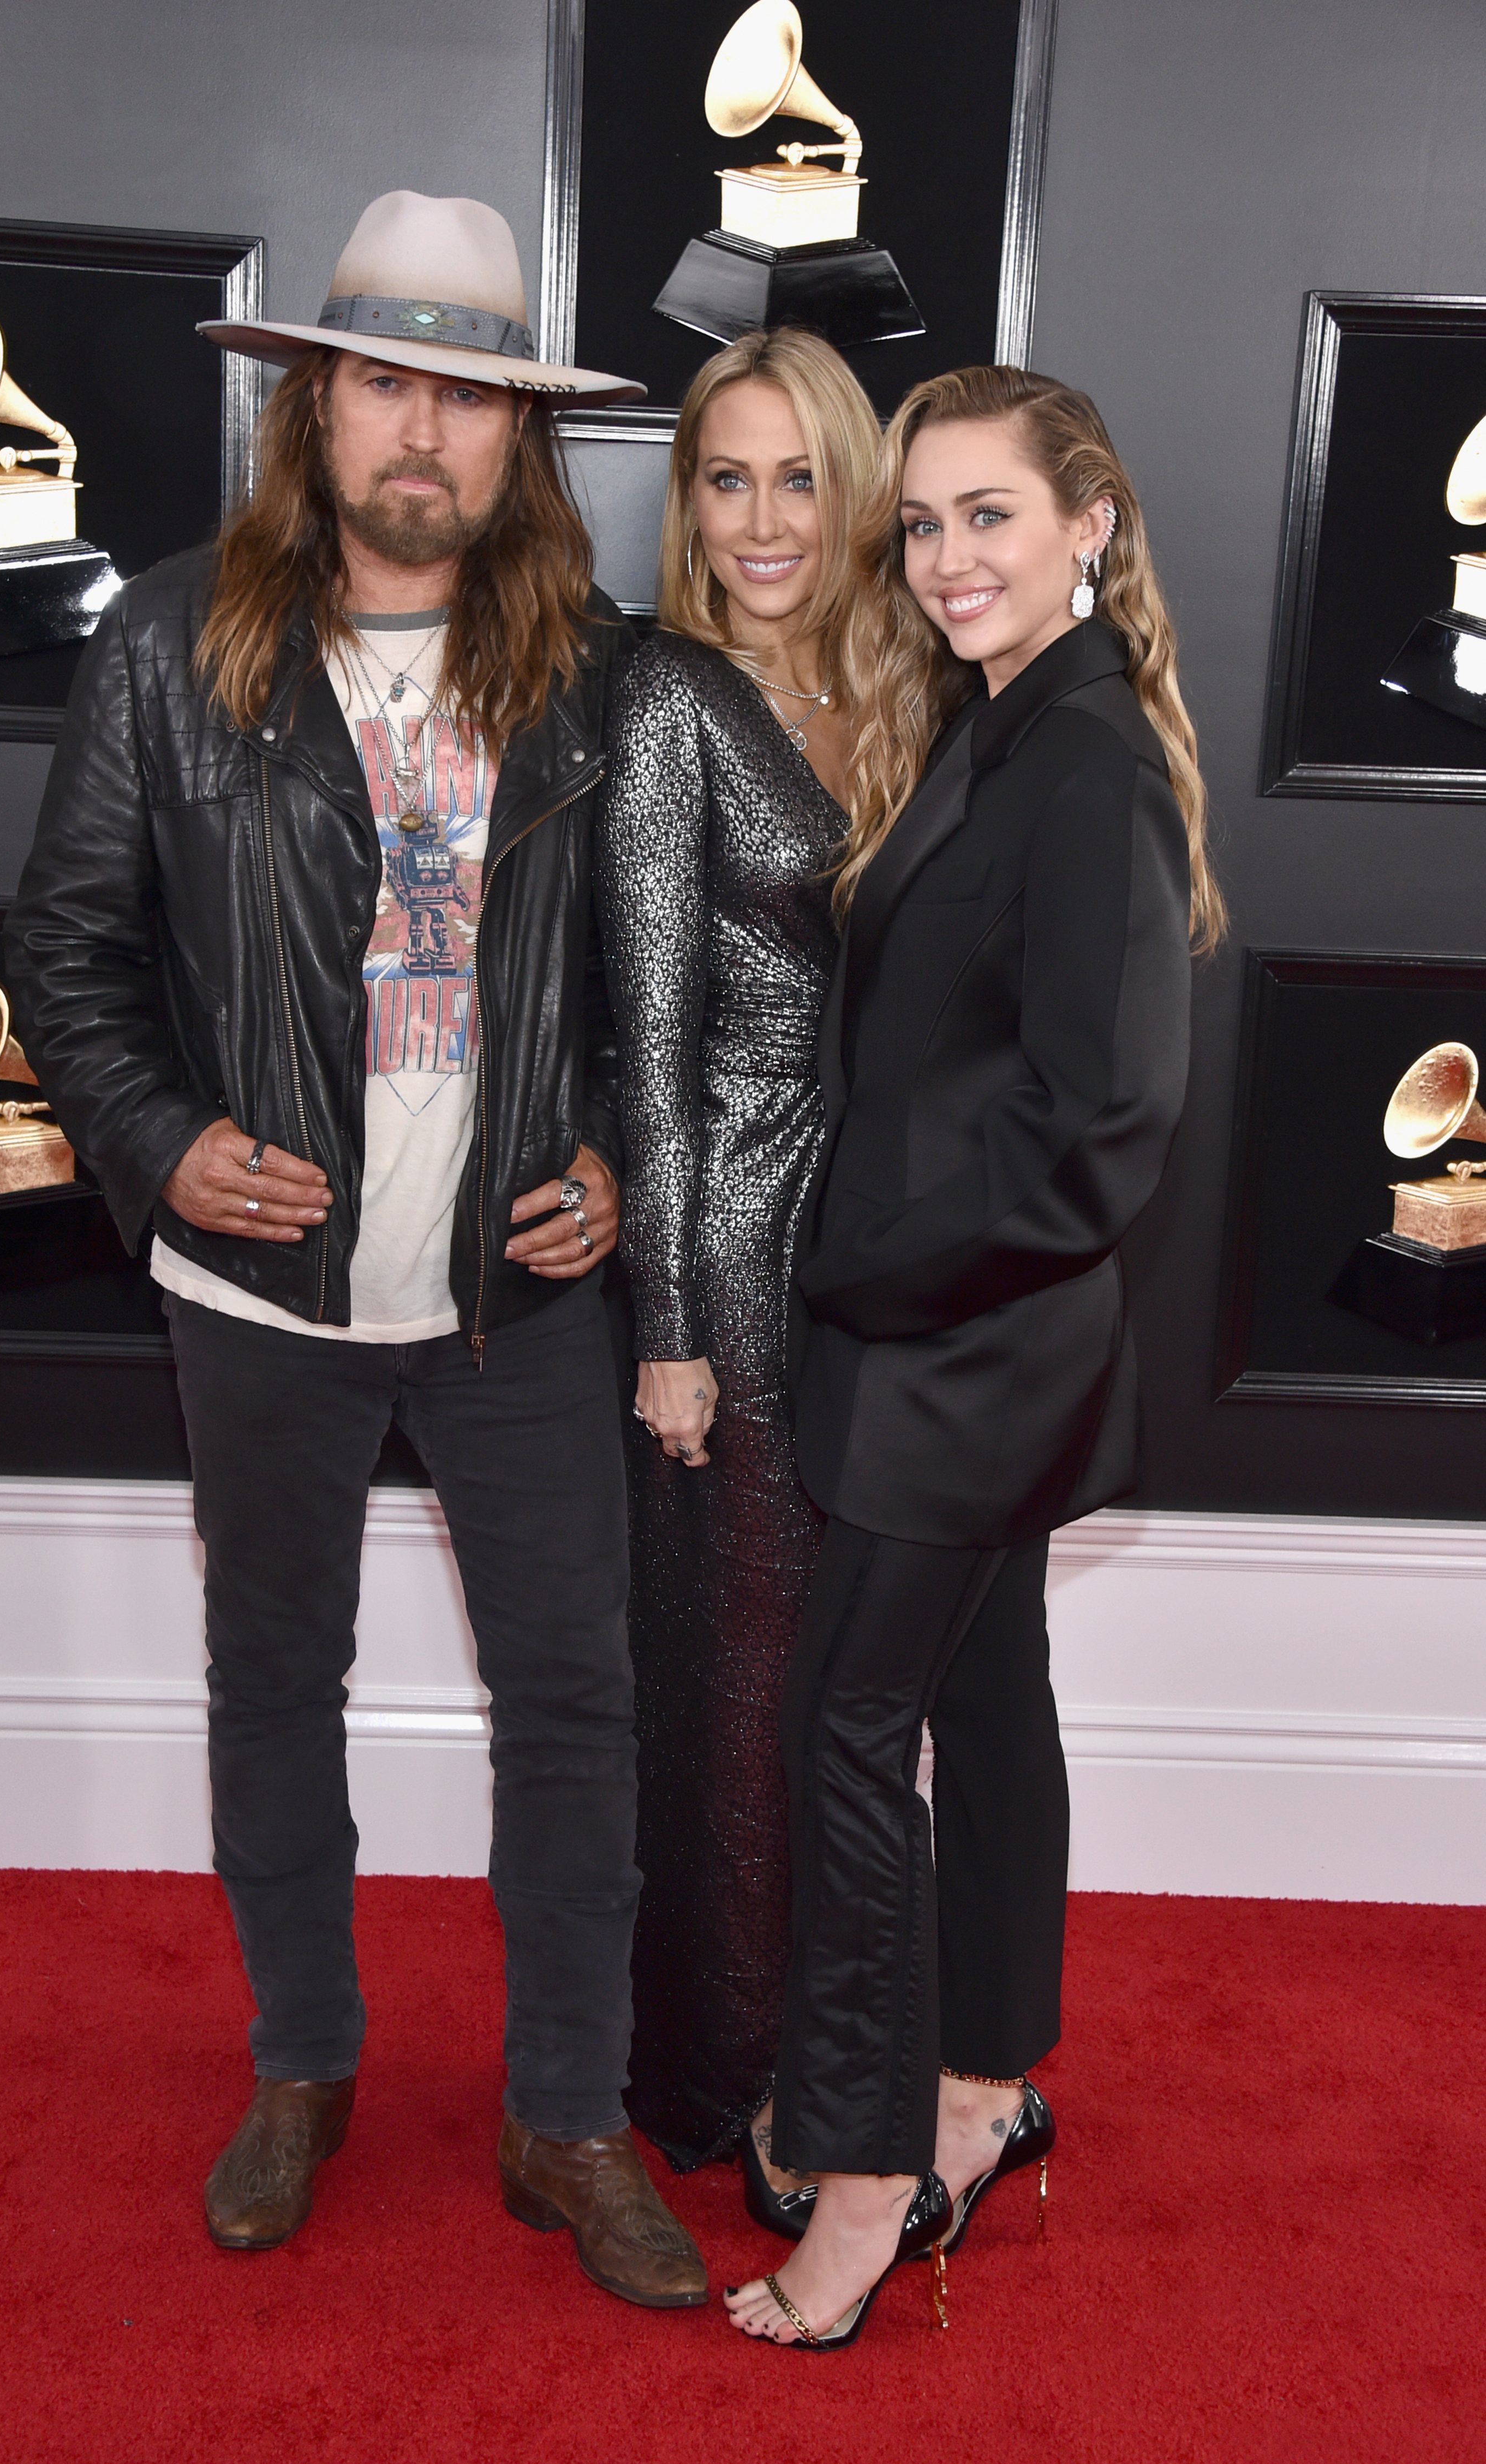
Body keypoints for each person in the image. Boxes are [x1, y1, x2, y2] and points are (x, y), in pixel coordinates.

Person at [5, 189, 709, 2311]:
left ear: (520, 437)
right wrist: (162, 1144)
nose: (424, 429)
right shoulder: (166, 646)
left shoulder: (604, 677)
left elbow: (656, 982)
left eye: (468, 396)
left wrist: (611, 1158)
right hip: (259, 1303)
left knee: (576, 1707)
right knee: (272, 1683)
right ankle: (303, 2065)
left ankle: (565, 2112)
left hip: (519, 1302)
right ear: (313, 408)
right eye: (385, 382)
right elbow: (67, 949)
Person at [726, 363, 1225, 2347]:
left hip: (963, 1350)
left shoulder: (1089, 762)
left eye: (989, 516)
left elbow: (1105, 1127)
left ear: (1088, 523)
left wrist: (865, 1269)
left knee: (844, 1728)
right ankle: (982, 2082)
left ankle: (867, 2178)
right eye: (923, 523)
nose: (946, 559)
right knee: (990, 1694)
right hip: (969, 1338)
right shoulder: (1004, 719)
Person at [594, 330, 881, 2182]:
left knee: (851, 1681)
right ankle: (733, 2079)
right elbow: (650, 1040)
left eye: (799, 478)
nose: (764, 520)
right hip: (737, 1232)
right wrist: (672, 1324)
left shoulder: (904, 681)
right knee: (746, 1680)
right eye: (727, 478)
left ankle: (843, 2044)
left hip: (885, 1245)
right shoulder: (667, 696)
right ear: (686, 501)